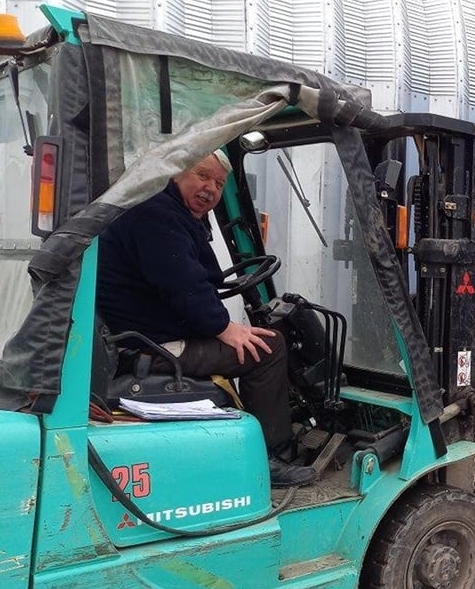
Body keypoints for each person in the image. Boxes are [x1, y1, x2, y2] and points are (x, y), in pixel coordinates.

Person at [97, 151, 317, 488]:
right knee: (268, 349)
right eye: (202, 175)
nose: (211, 189)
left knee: (252, 340)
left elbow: (194, 282)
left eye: (218, 183)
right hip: (152, 345)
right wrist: (223, 328)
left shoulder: (170, 212)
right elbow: (184, 286)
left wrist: (222, 322)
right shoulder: (157, 214)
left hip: (145, 332)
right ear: (177, 173)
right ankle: (272, 457)